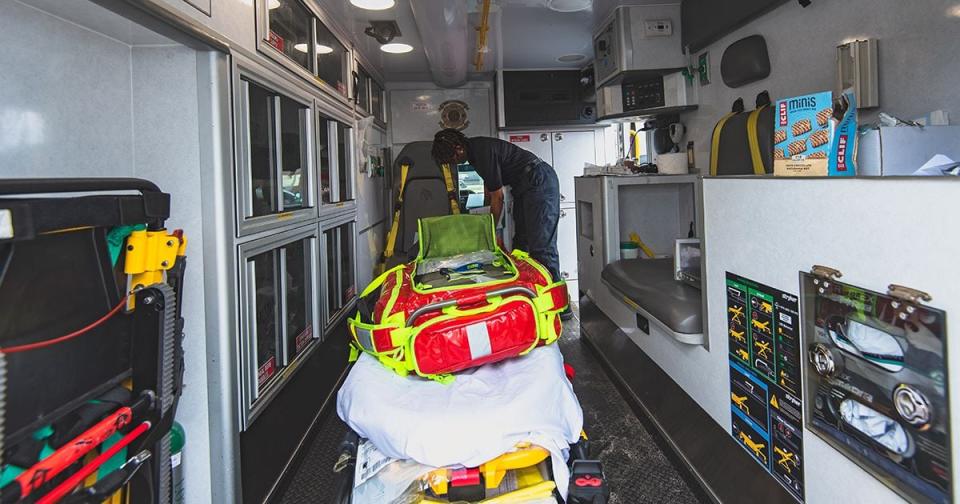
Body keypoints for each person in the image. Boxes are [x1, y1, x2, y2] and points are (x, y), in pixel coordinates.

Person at [432, 129, 572, 320]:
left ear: (458, 147)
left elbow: (498, 197)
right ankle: (530, 297)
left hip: (539, 181)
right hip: (524, 187)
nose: (454, 163)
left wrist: (492, 231)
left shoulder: (481, 151)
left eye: (452, 158)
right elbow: (490, 189)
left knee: (541, 247)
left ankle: (560, 306)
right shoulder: (474, 154)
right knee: (521, 245)